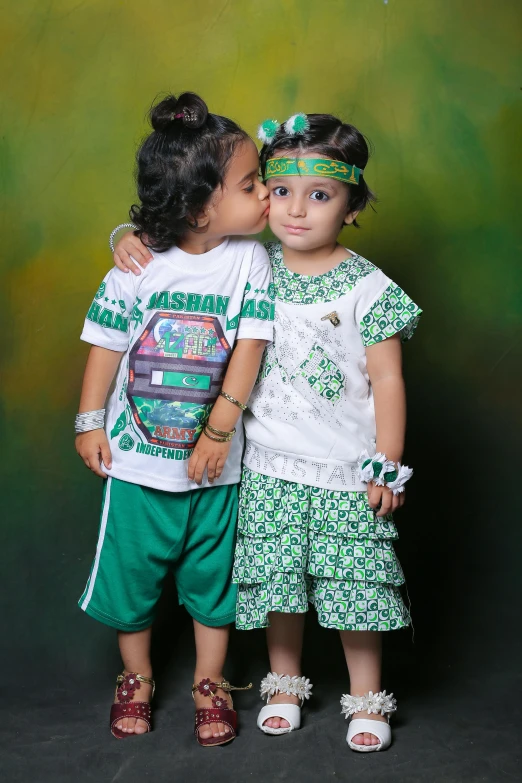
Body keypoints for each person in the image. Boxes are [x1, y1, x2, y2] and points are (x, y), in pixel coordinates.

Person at [111, 110, 422, 753]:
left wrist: (387, 461)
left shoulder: (369, 287)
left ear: (353, 205)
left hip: (345, 469)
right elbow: (180, 241)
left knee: (354, 587)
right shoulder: (249, 264)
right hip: (268, 466)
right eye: (278, 191)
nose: (295, 211)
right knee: (278, 583)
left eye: (320, 196)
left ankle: (367, 698)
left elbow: (388, 381)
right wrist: (125, 234)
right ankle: (284, 685)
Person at [75, 92, 273, 745]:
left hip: (216, 468)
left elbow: (251, 343)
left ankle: (209, 681)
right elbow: (105, 345)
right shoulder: (137, 264)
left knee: (214, 581)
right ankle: (135, 676)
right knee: (133, 581)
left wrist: (219, 429)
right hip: (137, 465)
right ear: (198, 205)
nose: (267, 193)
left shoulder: (249, 259)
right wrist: (88, 420)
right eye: (251, 184)